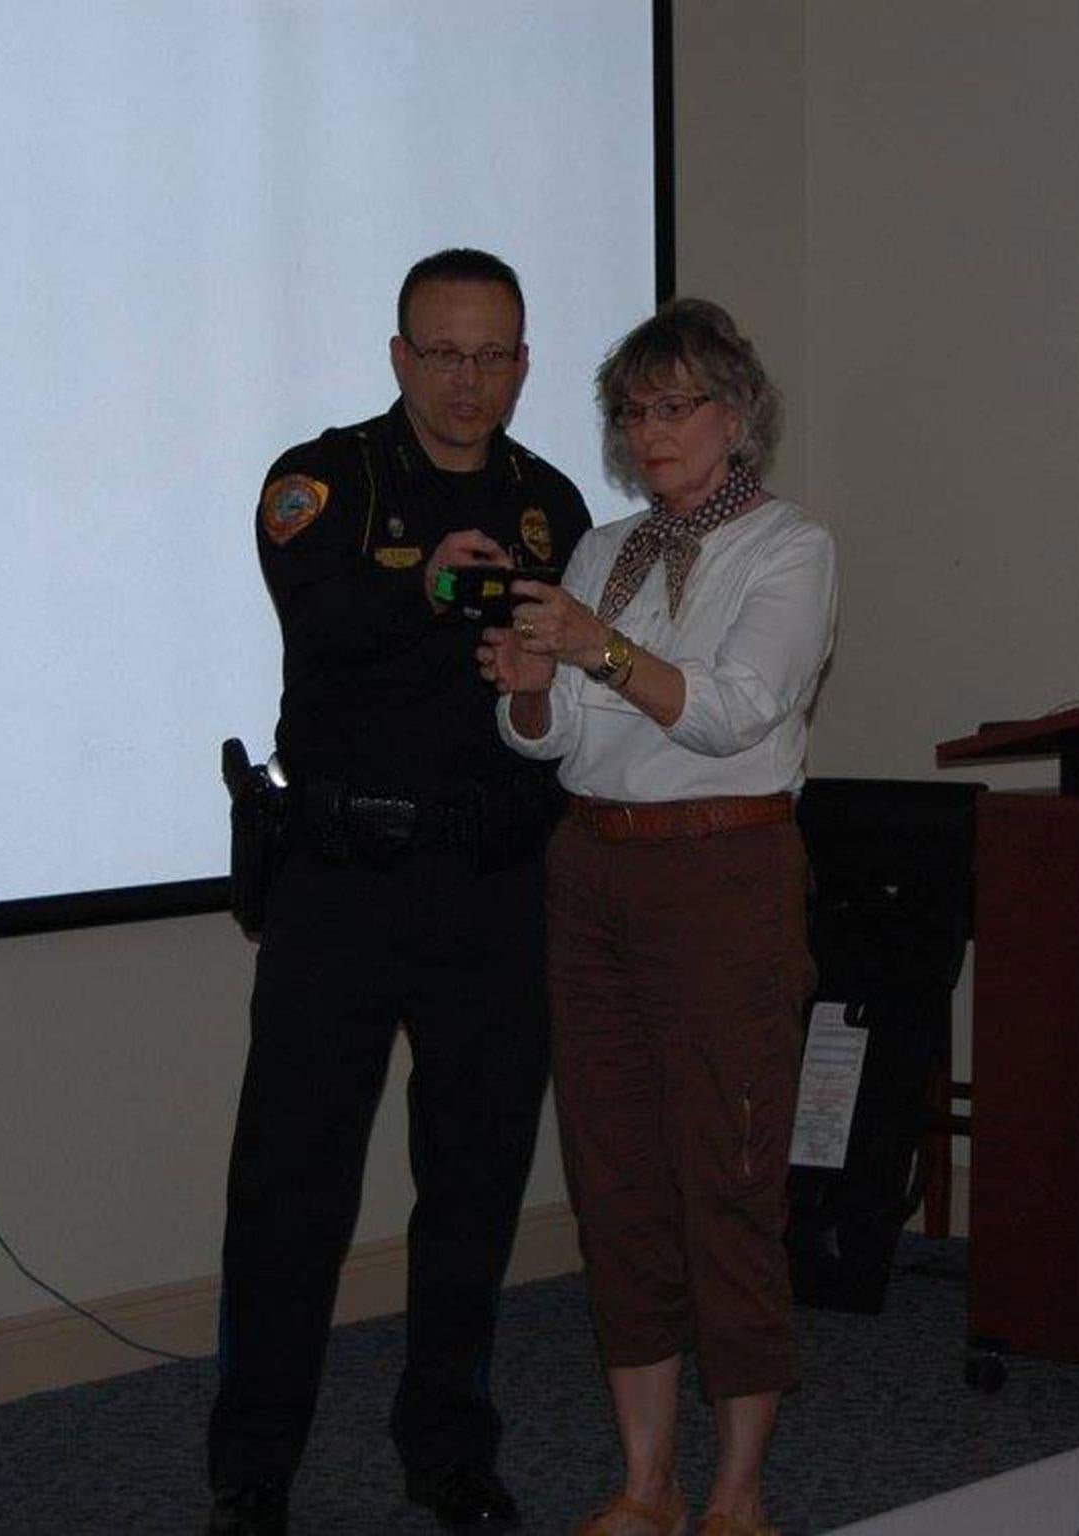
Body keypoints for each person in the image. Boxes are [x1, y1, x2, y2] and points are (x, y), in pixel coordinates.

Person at [207, 248, 591, 1535]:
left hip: (492, 887)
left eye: (494, 356)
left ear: (525, 364)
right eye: (444, 353)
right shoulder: (323, 480)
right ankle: (252, 1468)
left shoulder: (553, 507)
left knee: (475, 1186)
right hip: (342, 884)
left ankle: (448, 1452)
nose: (469, 380)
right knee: (290, 1186)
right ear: (398, 357)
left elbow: (571, 700)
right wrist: (427, 582)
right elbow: (317, 619)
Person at [483, 298, 837, 1536]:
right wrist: (533, 692)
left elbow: (733, 713)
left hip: (721, 876)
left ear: (736, 415)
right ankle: (645, 1481)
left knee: (726, 1175)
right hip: (591, 874)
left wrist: (594, 654)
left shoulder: (789, 547)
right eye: (631, 412)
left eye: (673, 405)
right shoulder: (604, 550)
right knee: (615, 1177)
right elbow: (559, 741)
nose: (650, 431)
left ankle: (737, 1488)